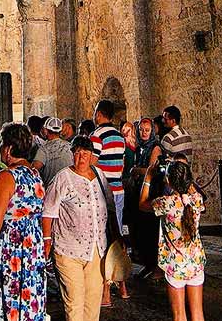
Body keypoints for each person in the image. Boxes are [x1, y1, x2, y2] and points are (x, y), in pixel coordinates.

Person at [42, 136, 118, 321]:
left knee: (92, 302)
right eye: (77, 153)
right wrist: (46, 241)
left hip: (96, 249)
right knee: (75, 302)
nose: (81, 158)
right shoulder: (63, 178)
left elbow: (110, 207)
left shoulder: (100, 176)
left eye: (85, 154)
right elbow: (48, 211)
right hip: (68, 250)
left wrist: (117, 237)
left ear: (92, 155)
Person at [0, 122, 46, 321]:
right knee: (27, 308)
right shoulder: (36, 176)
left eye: (1, 143)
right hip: (32, 252)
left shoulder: (6, 177)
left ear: (8, 148)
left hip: (10, 253)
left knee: (6, 306)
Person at [141, 159, 206, 321]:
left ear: (168, 181)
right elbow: (189, 189)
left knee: (179, 315)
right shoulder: (196, 199)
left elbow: (142, 204)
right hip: (195, 262)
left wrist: (148, 177)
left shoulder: (166, 203)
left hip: (175, 265)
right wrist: (181, 172)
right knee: (198, 313)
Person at [90, 101, 129, 305]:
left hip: (103, 192)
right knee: (118, 236)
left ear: (99, 114)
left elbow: (91, 163)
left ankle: (105, 292)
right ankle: (123, 286)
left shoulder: (97, 135)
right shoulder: (119, 136)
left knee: (103, 238)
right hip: (118, 190)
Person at [129, 116, 164, 281]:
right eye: (141, 130)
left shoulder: (155, 148)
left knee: (151, 231)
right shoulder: (139, 147)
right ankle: (147, 264)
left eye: (147, 130)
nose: (144, 133)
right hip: (139, 191)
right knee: (141, 230)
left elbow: (152, 170)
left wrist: (136, 170)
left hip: (151, 192)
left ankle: (156, 266)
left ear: (152, 132)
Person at [39, 116, 73, 186]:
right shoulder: (70, 146)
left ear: (46, 130)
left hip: (50, 190)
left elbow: (35, 167)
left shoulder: (43, 149)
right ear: (60, 131)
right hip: (69, 189)